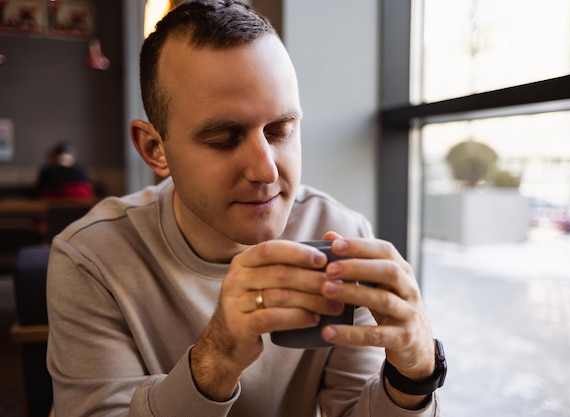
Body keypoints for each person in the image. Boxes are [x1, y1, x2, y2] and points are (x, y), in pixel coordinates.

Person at [46, 1, 445, 416]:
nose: (266, 170)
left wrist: (413, 376)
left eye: (281, 130)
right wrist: (215, 359)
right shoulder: (90, 257)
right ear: (154, 148)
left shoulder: (340, 232)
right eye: (223, 138)